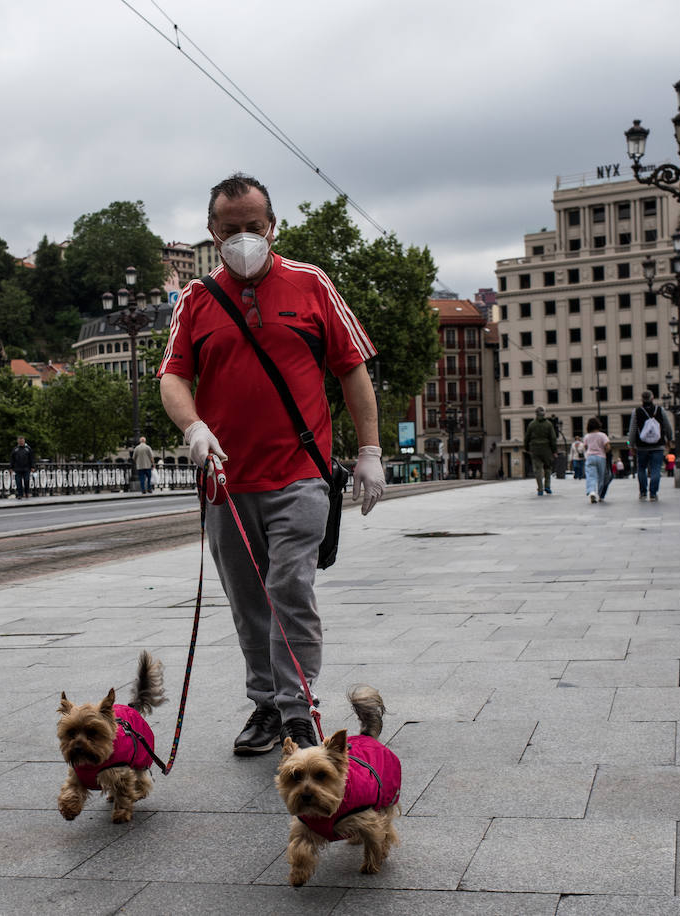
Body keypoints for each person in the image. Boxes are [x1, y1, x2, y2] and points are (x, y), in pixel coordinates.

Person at [158, 172, 383, 755]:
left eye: (253, 227)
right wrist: (194, 427)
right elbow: (173, 377)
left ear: (273, 226)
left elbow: (352, 367)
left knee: (290, 589)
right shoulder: (195, 300)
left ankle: (298, 709)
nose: (243, 238)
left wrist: (370, 451)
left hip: (300, 473)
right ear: (212, 232)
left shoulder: (312, 284)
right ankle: (265, 704)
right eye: (229, 229)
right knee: (248, 602)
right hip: (226, 482)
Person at [627, 390, 673, 501]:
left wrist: (631, 445)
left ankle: (643, 493)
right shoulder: (660, 410)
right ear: (652, 398)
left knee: (641, 468)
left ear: (642, 399)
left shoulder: (636, 412)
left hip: (642, 446)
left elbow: (632, 429)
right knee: (656, 469)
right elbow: (667, 426)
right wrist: (669, 439)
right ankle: (653, 494)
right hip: (658, 445)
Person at [523, 406, 558, 496]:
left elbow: (527, 437)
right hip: (547, 449)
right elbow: (553, 438)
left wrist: (526, 448)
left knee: (537, 469)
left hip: (535, 449)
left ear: (536, 413)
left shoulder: (531, 424)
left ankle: (540, 489)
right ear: (544, 414)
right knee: (548, 467)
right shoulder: (549, 424)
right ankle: (547, 486)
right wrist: (554, 451)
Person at [582, 417, 611, 504]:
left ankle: (592, 491)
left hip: (590, 457)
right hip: (601, 457)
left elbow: (585, 446)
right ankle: (600, 494)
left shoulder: (587, 436)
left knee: (591, 476)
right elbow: (607, 446)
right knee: (601, 477)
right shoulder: (602, 435)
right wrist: (604, 451)